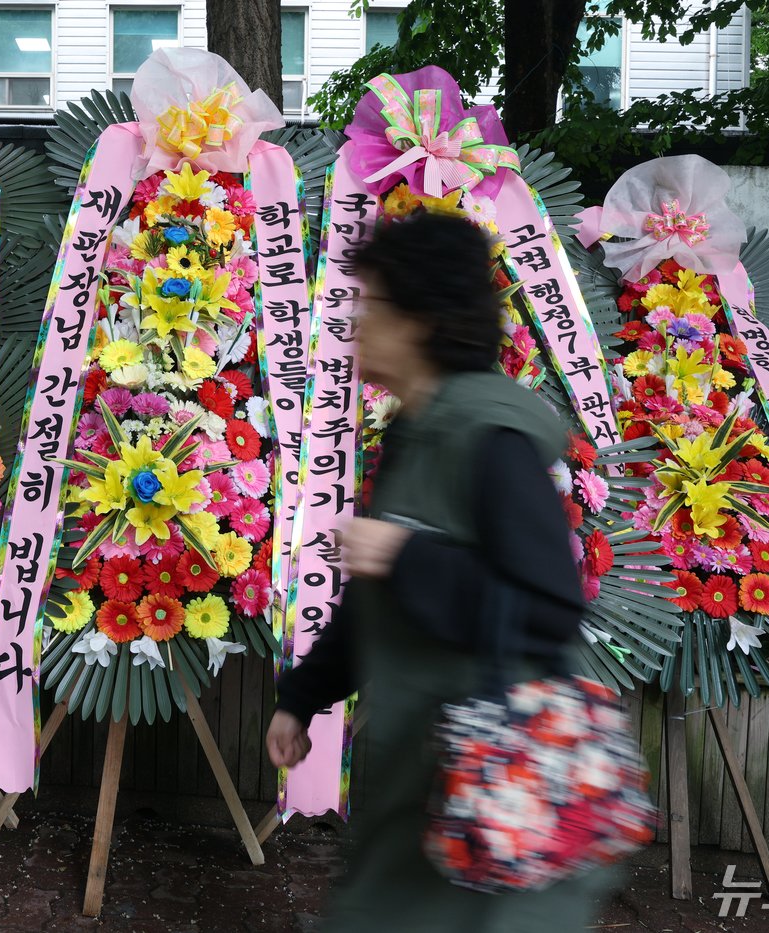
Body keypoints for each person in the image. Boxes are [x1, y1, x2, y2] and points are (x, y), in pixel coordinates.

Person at [265, 212, 618, 931]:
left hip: (494, 801)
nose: (355, 324)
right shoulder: (415, 426)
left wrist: (404, 553)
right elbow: (382, 599)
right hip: (423, 791)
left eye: (372, 305)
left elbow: (550, 606)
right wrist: (302, 696)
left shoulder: (490, 434)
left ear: (421, 320)